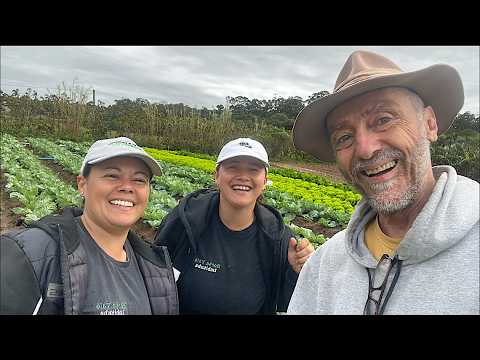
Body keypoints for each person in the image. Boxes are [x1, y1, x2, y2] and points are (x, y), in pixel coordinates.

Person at [287, 50, 479, 315]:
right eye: (343, 137)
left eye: (383, 119)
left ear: (429, 123)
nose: (365, 149)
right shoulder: (324, 266)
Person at [0, 137, 178, 315]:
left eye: (139, 180)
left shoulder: (155, 267)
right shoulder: (28, 255)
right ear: (82, 185)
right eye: (112, 175)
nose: (127, 187)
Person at [154, 137, 314, 314]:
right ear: (217, 175)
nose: (243, 177)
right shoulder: (185, 220)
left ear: (265, 181)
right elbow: (154, 282)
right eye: (233, 167)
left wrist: (296, 271)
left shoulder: (278, 238)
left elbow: (286, 303)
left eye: (253, 170)